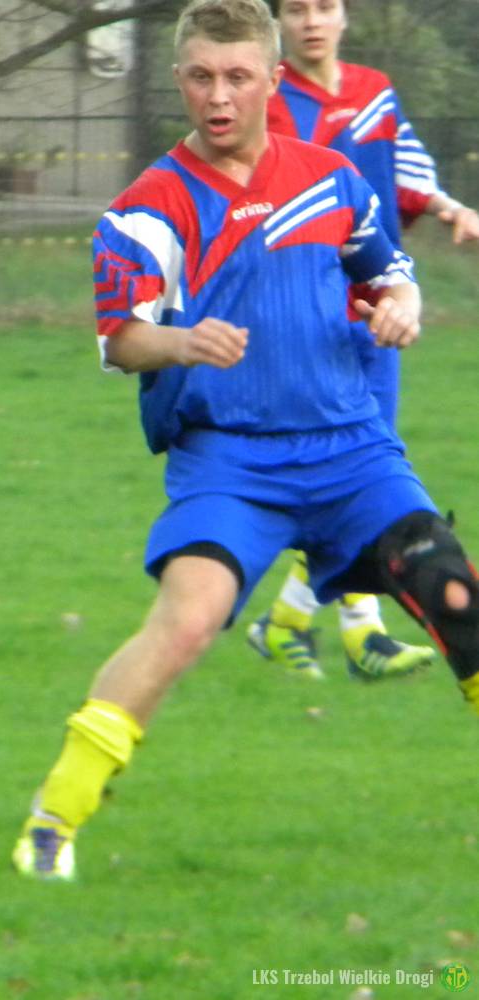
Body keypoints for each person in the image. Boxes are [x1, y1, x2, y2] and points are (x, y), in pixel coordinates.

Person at [9, 0, 479, 882]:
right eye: (200, 77)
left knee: (454, 594)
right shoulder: (146, 208)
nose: (218, 96)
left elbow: (390, 272)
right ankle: (52, 820)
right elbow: (122, 340)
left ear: (272, 79)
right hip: (232, 461)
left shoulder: (332, 177)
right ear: (178, 80)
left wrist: (402, 308)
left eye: (236, 77)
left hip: (351, 452)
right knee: (186, 621)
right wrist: (182, 341)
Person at [243, 0, 479, 679]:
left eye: (325, 6)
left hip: (380, 313)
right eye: (296, 9)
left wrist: (452, 208)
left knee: (367, 466)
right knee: (352, 472)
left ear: (344, 16)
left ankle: (307, 623)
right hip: (306, 320)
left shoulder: (374, 92)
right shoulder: (268, 103)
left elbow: (408, 171)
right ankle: (352, 630)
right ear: (280, 23)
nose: (312, 21)